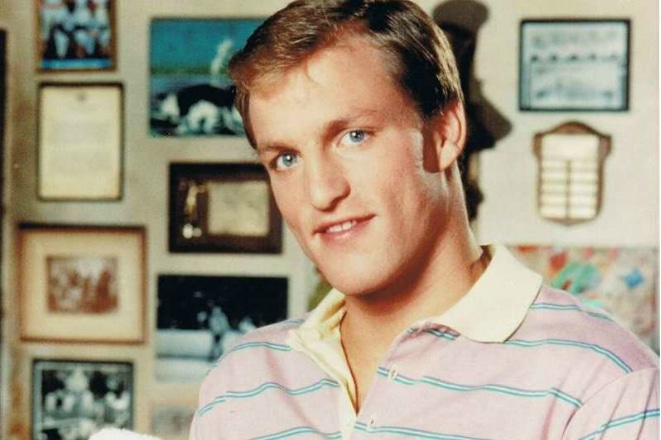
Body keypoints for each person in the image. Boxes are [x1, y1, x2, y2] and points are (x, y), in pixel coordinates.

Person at [190, 1, 659, 439]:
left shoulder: (603, 384)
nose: (321, 192)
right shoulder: (239, 383)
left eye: (354, 136)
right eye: (286, 159)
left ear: (443, 135)